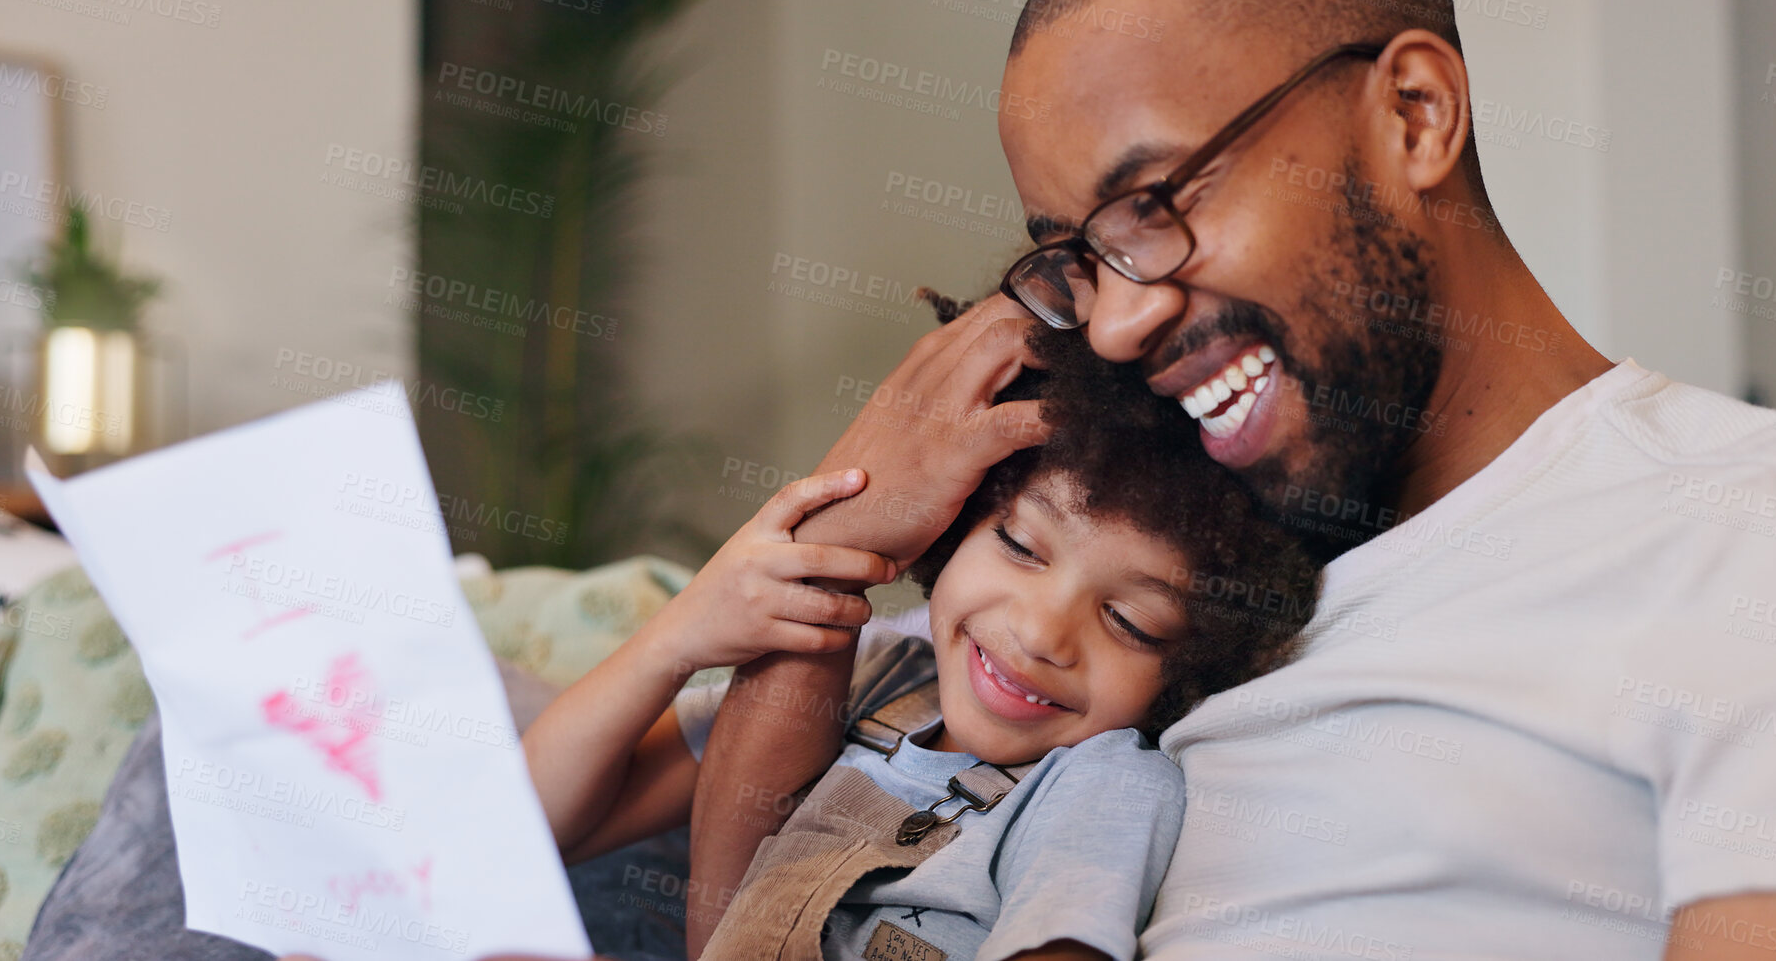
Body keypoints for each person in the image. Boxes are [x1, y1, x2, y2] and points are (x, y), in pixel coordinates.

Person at [690, 0, 1776, 959]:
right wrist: (844, 525)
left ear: (1416, 113)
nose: (1116, 322)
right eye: (1079, 255)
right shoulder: (1160, 561)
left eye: (1158, 204)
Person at [520, 323, 1320, 961]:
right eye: (1018, 545)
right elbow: (530, 820)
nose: (1039, 631)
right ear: (954, 521)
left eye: (1130, 622)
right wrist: (677, 636)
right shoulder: (876, 670)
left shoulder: (1102, 783)